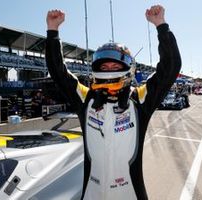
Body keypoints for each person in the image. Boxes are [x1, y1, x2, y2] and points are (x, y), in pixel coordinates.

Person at [46, 5, 181, 200]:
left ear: (127, 68)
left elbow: (170, 67)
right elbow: (58, 72)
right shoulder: (87, 99)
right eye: (104, 65)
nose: (109, 69)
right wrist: (53, 31)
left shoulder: (139, 99)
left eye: (115, 65)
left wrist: (161, 25)